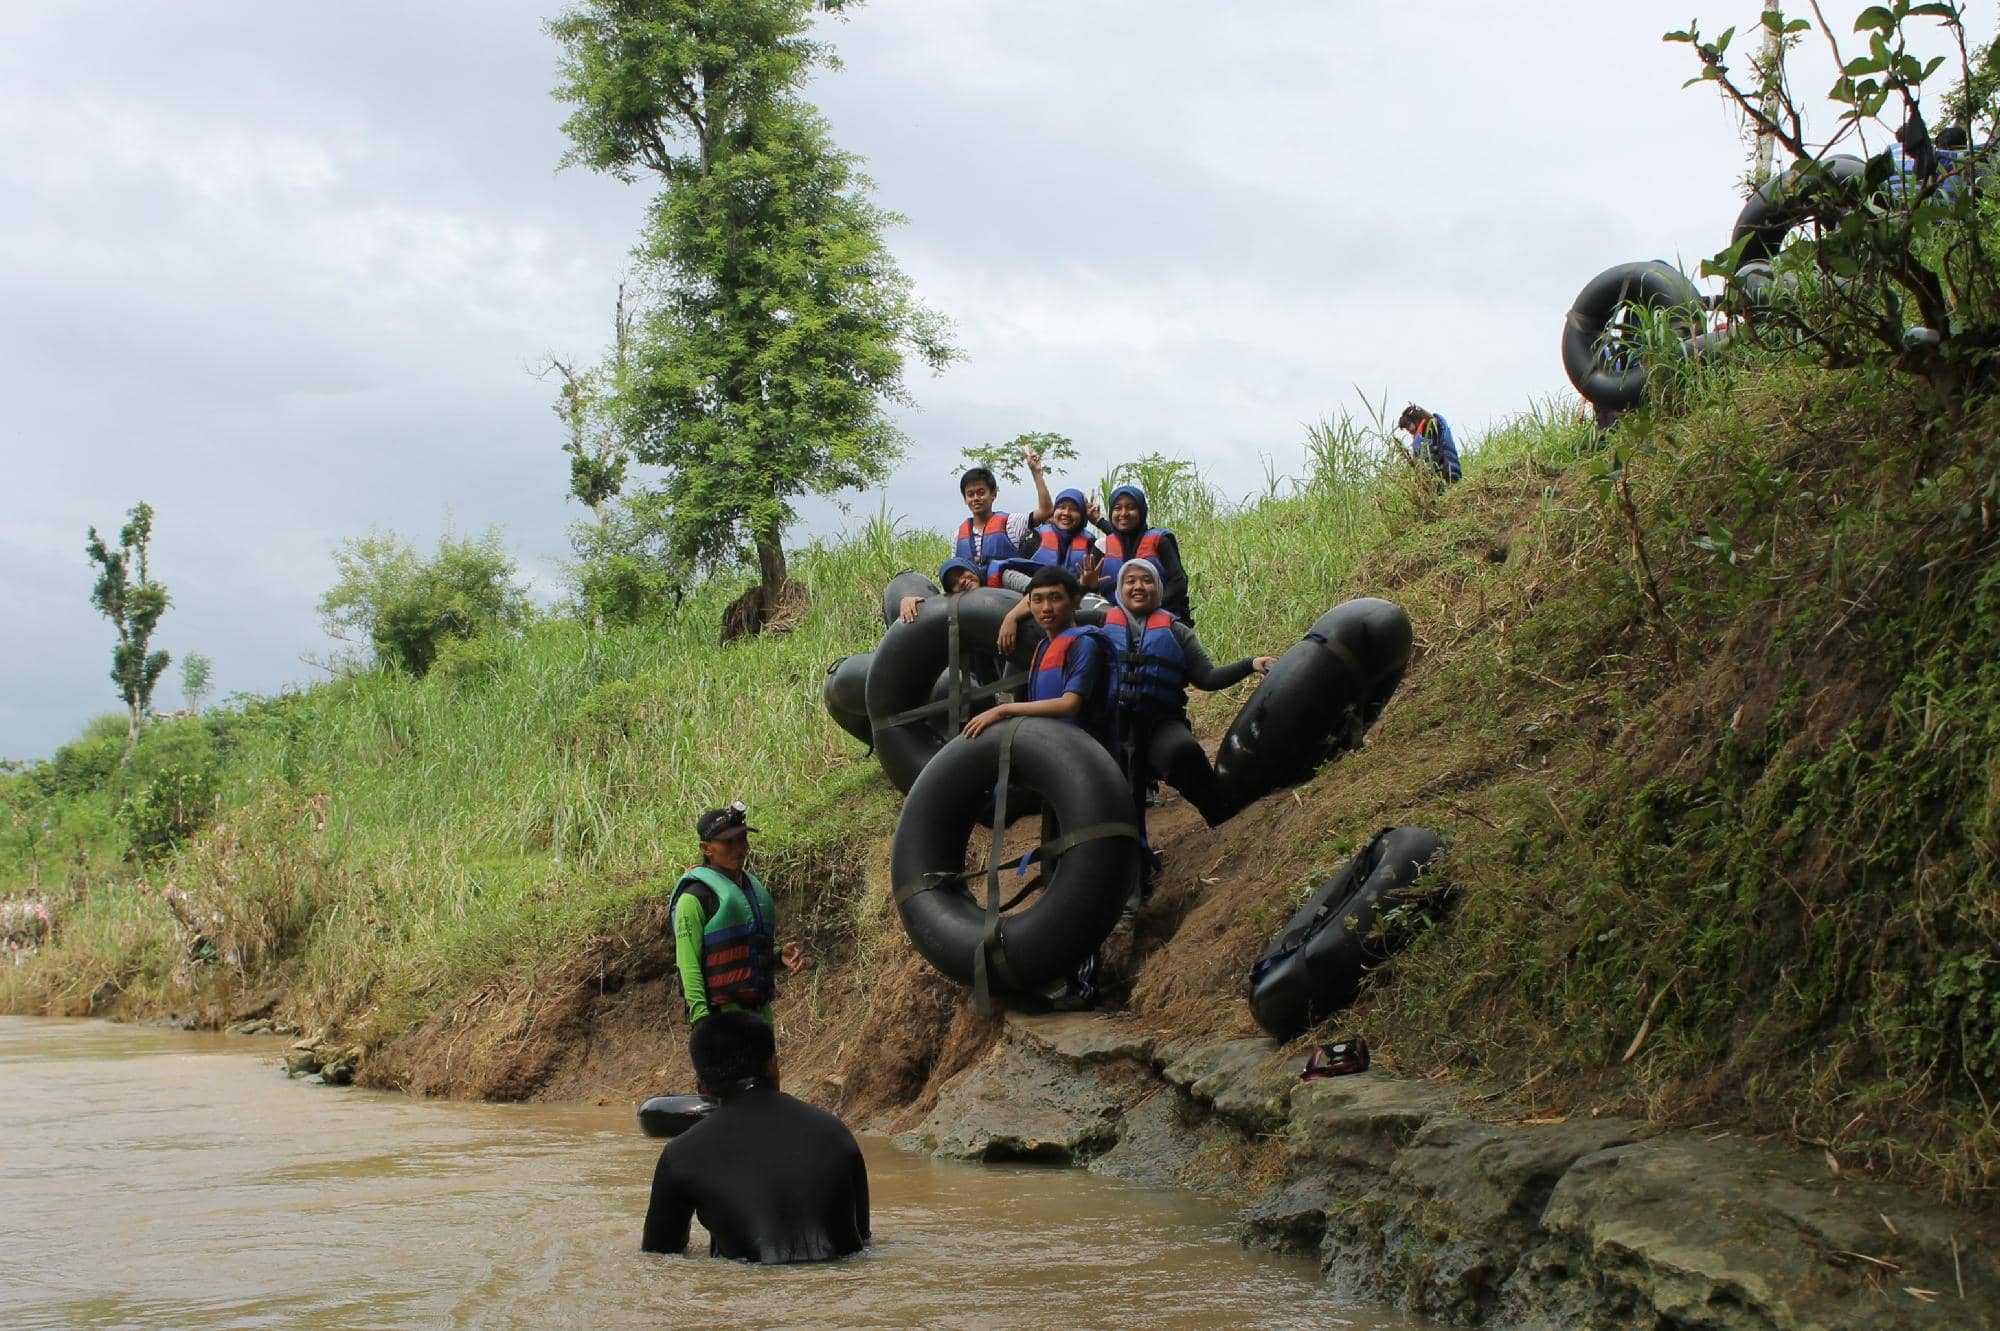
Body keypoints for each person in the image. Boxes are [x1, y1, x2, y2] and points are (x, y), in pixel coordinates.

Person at [641, 1010, 869, 1264]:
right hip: (843, 1285)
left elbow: (659, 1259)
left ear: (701, 1086)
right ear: (773, 1064)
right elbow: (863, 1238)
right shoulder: (835, 1132)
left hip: (753, 1291)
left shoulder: (681, 1154)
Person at [1105, 558, 1274, 841]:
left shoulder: (1177, 631)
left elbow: (1207, 677)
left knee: (1183, 753)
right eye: (1130, 580)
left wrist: (1250, 663)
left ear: (1158, 588)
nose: (1138, 586)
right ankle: (1134, 865)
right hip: (1111, 730)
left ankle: (1222, 818)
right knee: (1120, 792)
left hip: (1159, 724)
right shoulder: (1098, 624)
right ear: (1120, 588)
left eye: (1147, 580)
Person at [669, 804, 806, 1027]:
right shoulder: (693, 898)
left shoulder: (751, 888)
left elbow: (748, 947)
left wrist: (778, 956)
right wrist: (701, 1020)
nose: (739, 848)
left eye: (742, 839)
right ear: (706, 848)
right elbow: (688, 963)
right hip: (721, 1020)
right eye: (728, 842)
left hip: (760, 1013)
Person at [961, 565, 1114, 748]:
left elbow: (1069, 705)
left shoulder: (1084, 644)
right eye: (1038, 600)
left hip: (1082, 751)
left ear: (1074, 601)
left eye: (1056, 598)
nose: (1046, 608)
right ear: (1029, 605)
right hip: (1051, 746)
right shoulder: (1043, 648)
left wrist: (1002, 710)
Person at [1090, 484, 1194, 623]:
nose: (1124, 513)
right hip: (1115, 621)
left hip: (1159, 617)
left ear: (1141, 511)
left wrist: (1148, 611)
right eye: (1117, 508)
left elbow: (1179, 582)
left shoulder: (1160, 541)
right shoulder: (1101, 547)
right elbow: (1087, 592)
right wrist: (1085, 585)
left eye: (1131, 507)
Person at [954, 445, 1054, 587]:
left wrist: (1036, 473)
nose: (976, 498)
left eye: (981, 492)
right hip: (971, 593)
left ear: (993, 494)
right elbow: (956, 571)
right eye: (970, 494)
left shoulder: (1011, 523)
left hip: (1006, 589)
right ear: (965, 499)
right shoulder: (959, 534)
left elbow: (1046, 510)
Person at [897, 556, 984, 622]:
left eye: (961, 572)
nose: (961, 581)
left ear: (972, 569)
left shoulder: (997, 588)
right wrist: (910, 600)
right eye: (954, 583)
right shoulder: (956, 610)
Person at [1396, 405, 1462, 484]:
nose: (1408, 431)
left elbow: (1432, 420)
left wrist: (1420, 410)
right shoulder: (1419, 440)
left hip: (1447, 474)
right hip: (1435, 482)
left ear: (1416, 420)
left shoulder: (1431, 428)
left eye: (1408, 427)